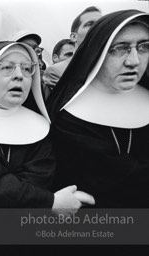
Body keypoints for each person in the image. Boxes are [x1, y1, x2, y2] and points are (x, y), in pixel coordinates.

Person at [0, 42, 94, 256]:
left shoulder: (42, 129)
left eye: (26, 68)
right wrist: (48, 202)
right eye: (7, 67)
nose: (19, 76)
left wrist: (7, 197)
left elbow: (41, 176)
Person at [48, 10, 149, 255]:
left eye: (144, 47)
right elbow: (117, 178)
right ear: (98, 51)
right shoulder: (68, 114)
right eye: (120, 48)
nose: (134, 60)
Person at [43, 6, 102, 97]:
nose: (97, 27)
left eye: (101, 23)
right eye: (90, 24)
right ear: (74, 37)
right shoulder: (57, 71)